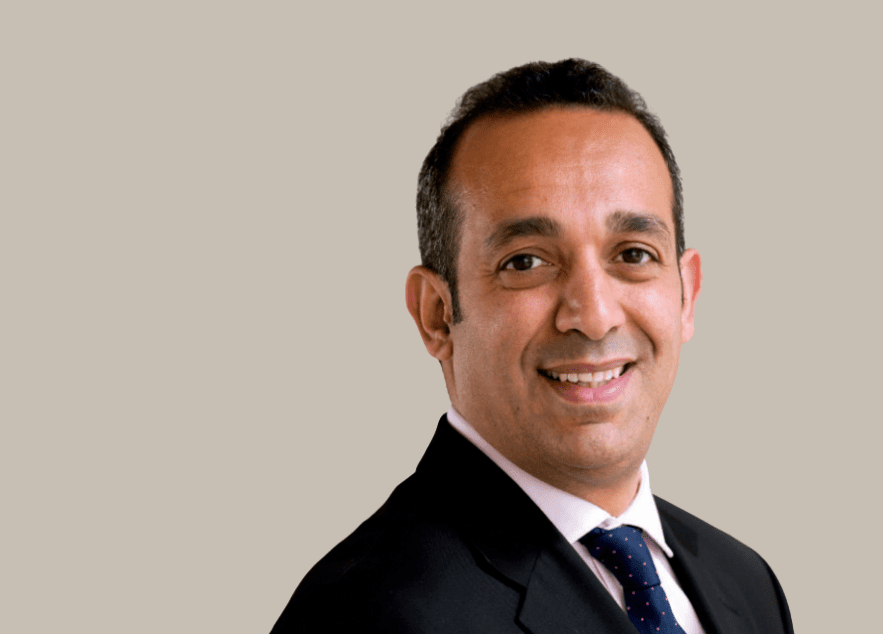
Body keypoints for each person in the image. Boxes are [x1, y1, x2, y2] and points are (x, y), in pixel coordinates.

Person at [272, 59, 792, 634]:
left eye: (633, 254)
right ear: (437, 315)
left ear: (686, 294)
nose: (593, 316)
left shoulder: (746, 583)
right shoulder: (367, 614)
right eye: (525, 262)